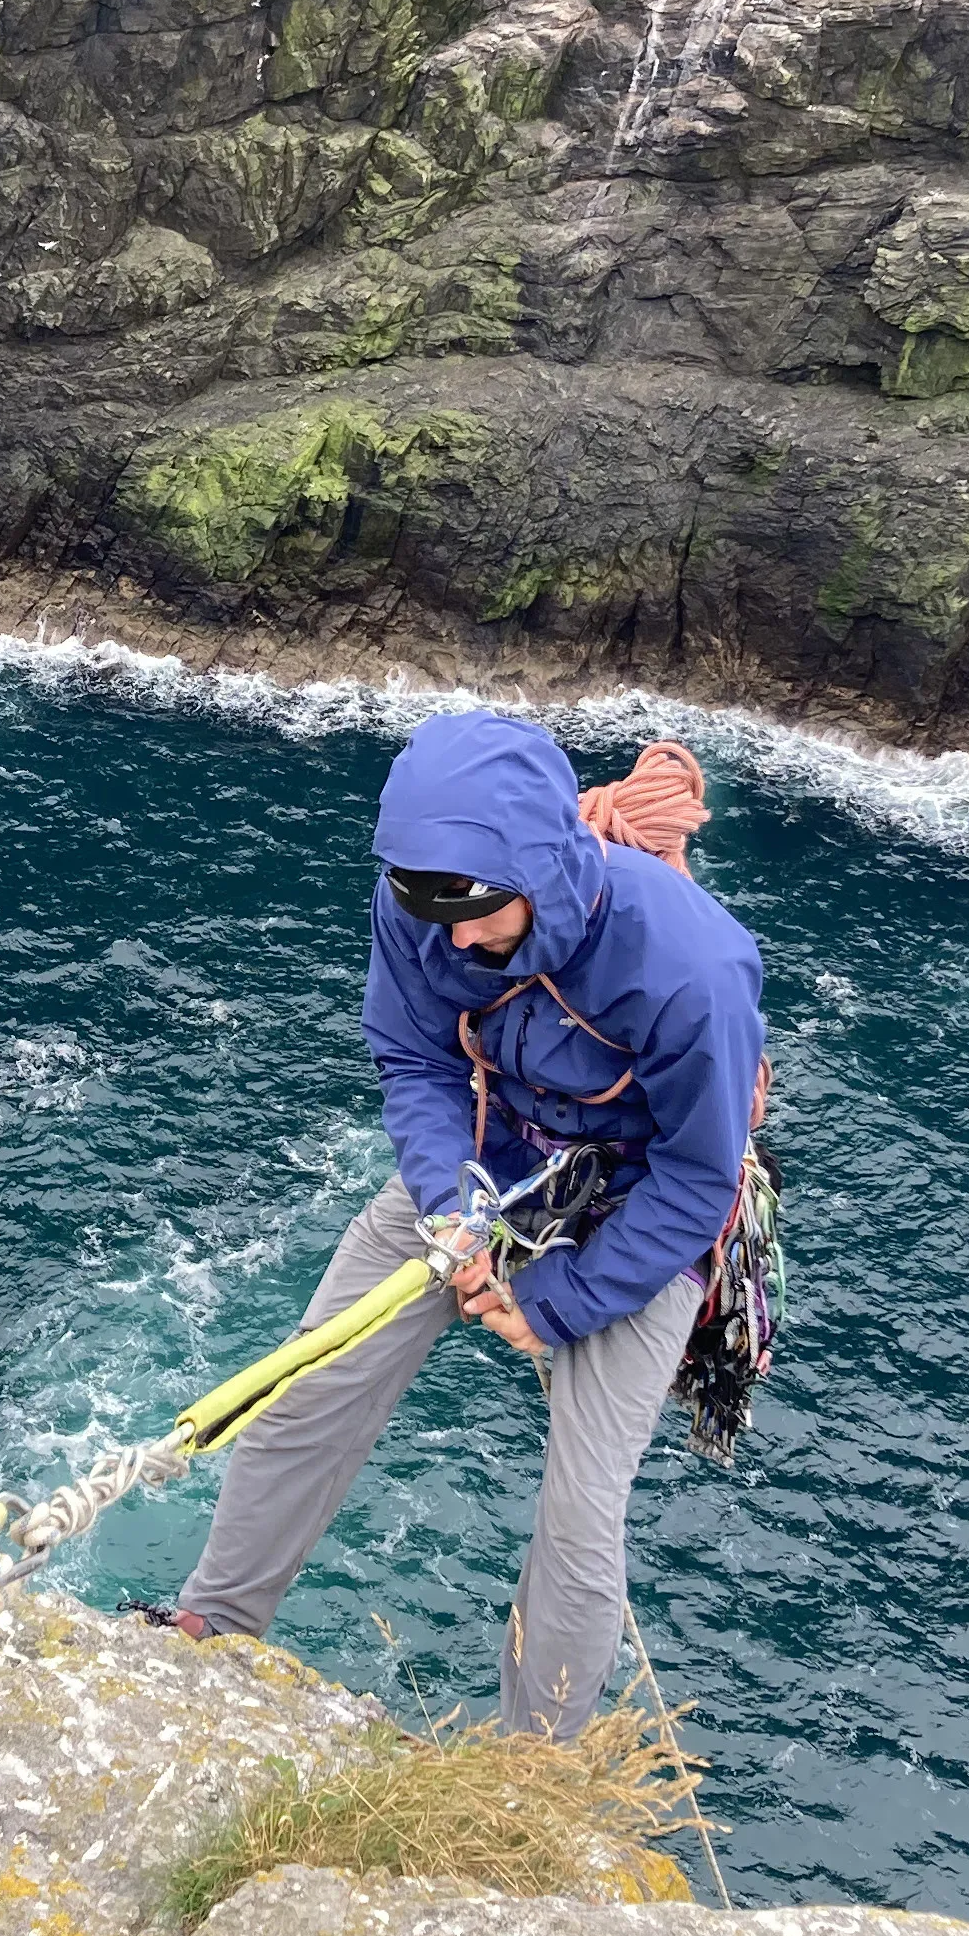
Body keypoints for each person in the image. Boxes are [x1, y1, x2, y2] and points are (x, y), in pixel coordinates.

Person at [154, 711, 767, 1735]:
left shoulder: (691, 968)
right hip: (490, 1161)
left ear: (541, 871)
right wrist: (451, 1208)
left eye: (480, 914)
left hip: (637, 1203)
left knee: (578, 1518)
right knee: (308, 1384)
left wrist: (559, 1303)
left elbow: (699, 1176)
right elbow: (416, 1057)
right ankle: (209, 1629)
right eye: (429, 909)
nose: (456, 939)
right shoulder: (424, 905)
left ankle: (533, 1777)